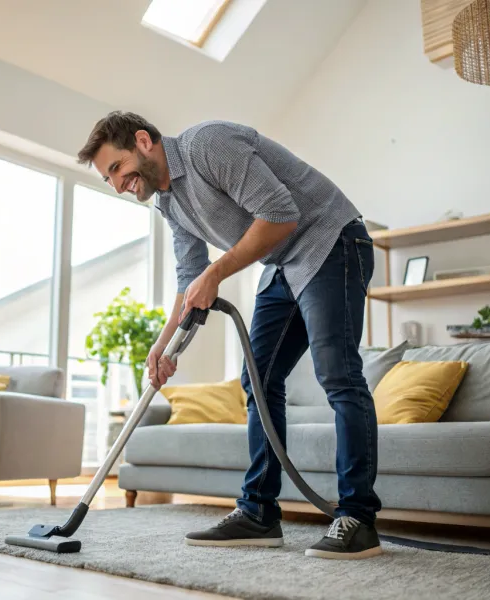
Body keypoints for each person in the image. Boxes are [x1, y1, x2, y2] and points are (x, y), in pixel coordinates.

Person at [77, 112, 382, 560]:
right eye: (108, 178)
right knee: (257, 380)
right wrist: (164, 345)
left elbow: (281, 215)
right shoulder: (169, 202)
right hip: (283, 264)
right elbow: (190, 280)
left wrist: (217, 272)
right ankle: (259, 512)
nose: (118, 183)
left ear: (143, 141)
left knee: (336, 373)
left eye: (117, 169)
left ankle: (357, 517)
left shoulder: (208, 145)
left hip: (330, 240)